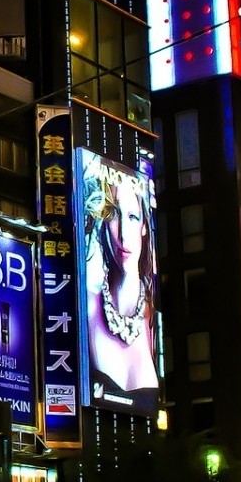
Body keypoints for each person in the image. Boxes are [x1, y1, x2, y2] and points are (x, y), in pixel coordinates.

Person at [79, 159, 160, 410]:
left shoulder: (155, 316)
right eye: (114, 216)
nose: (124, 233)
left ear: (145, 226)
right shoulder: (86, 305)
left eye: (133, 217)